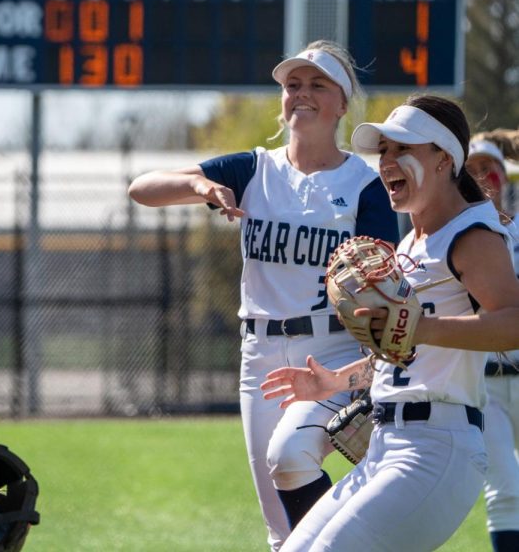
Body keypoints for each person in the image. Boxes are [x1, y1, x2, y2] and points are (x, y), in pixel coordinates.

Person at [128, 40, 399, 550]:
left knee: (290, 458)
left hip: (332, 348)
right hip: (260, 355)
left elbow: (385, 290)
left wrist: (361, 372)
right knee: (280, 529)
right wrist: (200, 188)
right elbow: (142, 188)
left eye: (318, 84)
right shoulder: (256, 168)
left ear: (343, 103)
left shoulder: (364, 185)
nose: (302, 94)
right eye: (293, 85)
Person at [261, 94, 519, 551]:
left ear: (444, 159)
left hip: (437, 448)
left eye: (403, 148)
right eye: (383, 150)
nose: (387, 161)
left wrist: (422, 328)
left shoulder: (471, 233)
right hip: (388, 441)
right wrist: (337, 381)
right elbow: (404, 353)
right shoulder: (411, 245)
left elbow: (513, 322)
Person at [465, 129, 519, 551]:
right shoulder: (459, 238)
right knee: (505, 490)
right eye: (474, 170)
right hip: (486, 382)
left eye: (490, 168)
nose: (484, 177)